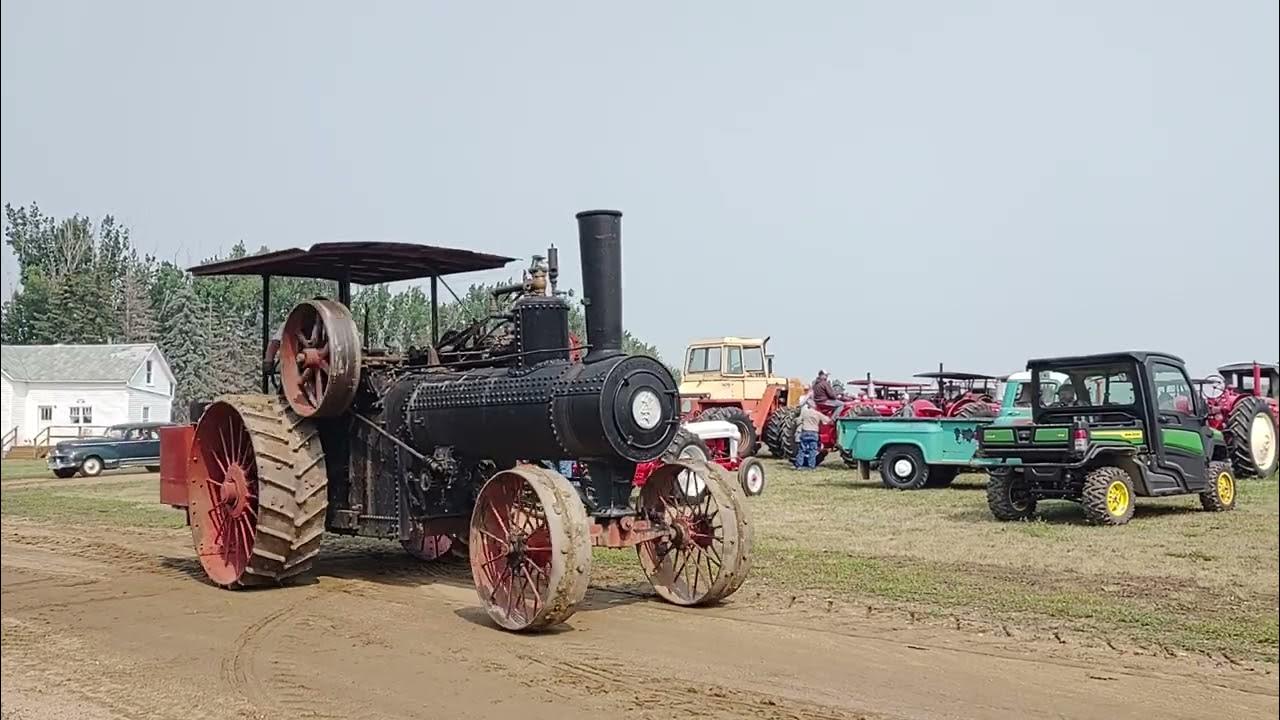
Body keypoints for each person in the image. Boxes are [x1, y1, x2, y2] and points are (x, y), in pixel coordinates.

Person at [794, 400, 831, 470]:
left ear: (808, 406)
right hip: (814, 433)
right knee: (813, 450)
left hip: (805, 432)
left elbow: (798, 421)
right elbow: (827, 420)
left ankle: (799, 465)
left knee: (802, 449)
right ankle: (811, 466)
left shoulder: (804, 413)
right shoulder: (817, 413)